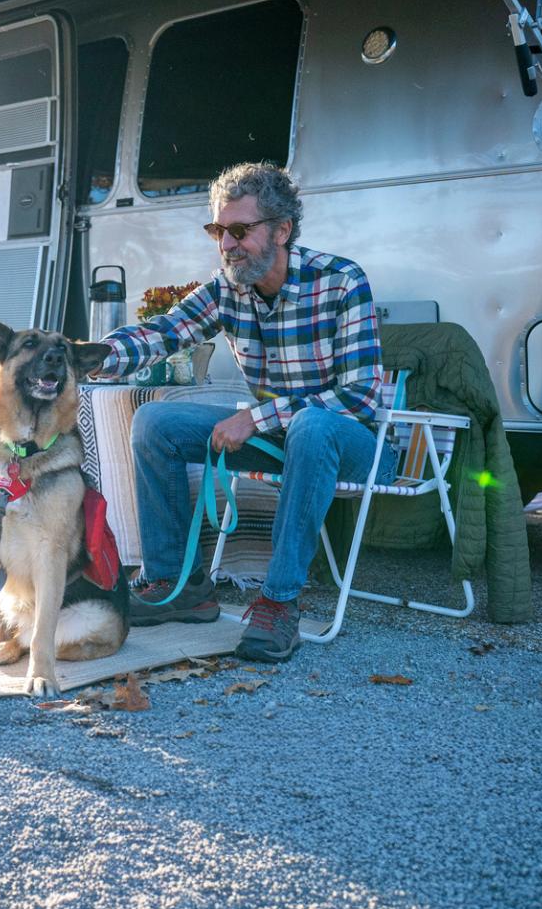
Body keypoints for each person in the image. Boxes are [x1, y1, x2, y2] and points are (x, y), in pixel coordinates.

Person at [89, 162, 395, 662]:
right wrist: (96, 356)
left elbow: (361, 395)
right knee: (155, 422)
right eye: (218, 231)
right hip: (282, 440)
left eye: (239, 231)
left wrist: (257, 418)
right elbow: (165, 333)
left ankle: (278, 603)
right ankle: (178, 583)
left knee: (313, 425)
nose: (227, 245)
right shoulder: (226, 287)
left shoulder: (340, 281)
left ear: (282, 229)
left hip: (358, 445)